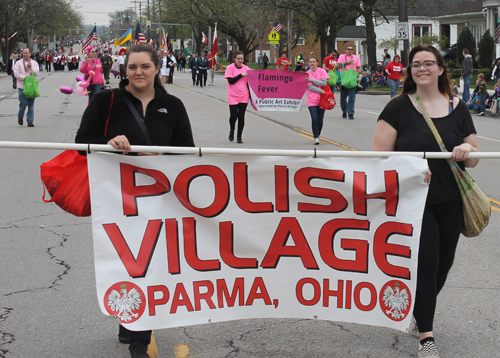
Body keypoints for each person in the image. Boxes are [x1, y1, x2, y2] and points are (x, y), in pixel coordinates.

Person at [75, 43, 195, 358]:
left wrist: (163, 154)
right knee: (129, 262)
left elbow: (187, 149)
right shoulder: (106, 100)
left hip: (159, 196)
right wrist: (108, 143)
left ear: (157, 68)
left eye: (145, 66)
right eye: (132, 67)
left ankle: (139, 339)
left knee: (151, 262)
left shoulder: (173, 104)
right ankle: (130, 318)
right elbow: (80, 144)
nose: (138, 72)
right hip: (117, 197)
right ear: (124, 70)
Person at [372, 44, 479, 358]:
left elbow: (473, 157)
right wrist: (409, 168)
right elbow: (379, 157)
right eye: (415, 64)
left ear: (441, 69)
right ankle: (426, 337)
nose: (422, 68)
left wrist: (466, 151)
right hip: (413, 200)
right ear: (410, 71)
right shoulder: (398, 107)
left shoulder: (457, 107)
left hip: (450, 199)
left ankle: (418, 312)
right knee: (428, 260)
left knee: (442, 265)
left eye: (428, 63)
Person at [224, 51, 251, 143]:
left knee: (241, 116)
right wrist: (241, 75)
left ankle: (239, 136)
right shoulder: (229, 68)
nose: (240, 60)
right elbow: (231, 81)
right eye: (238, 59)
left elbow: (251, 83)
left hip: (244, 95)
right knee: (233, 115)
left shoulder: (247, 69)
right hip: (233, 95)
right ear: (234, 59)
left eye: (242, 59)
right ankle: (232, 131)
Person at [305, 56, 329, 145]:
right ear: (308, 64)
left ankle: (318, 134)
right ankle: (316, 137)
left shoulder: (322, 71)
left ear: (317, 63)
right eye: (310, 62)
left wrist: (312, 80)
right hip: (312, 100)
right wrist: (322, 91)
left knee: (320, 120)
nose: (312, 63)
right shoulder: (306, 74)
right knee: (314, 118)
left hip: (322, 99)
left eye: (314, 61)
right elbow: (310, 87)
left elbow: (323, 82)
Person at [13, 48, 39, 127]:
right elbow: (16, 73)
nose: (25, 54)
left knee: (31, 105)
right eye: (24, 53)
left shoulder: (34, 63)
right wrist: (24, 78)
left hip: (31, 87)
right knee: (23, 103)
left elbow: (36, 73)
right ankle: (20, 116)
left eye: (26, 53)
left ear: (30, 54)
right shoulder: (18, 63)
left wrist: (30, 68)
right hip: (22, 86)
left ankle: (30, 121)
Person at [337, 45, 361, 119]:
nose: (350, 50)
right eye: (348, 49)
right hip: (344, 80)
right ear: (345, 50)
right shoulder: (342, 56)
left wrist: (356, 73)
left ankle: (351, 113)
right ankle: (344, 110)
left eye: (351, 49)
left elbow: (359, 68)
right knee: (343, 98)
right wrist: (347, 62)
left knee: (352, 98)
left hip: (352, 80)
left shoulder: (356, 57)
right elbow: (338, 66)